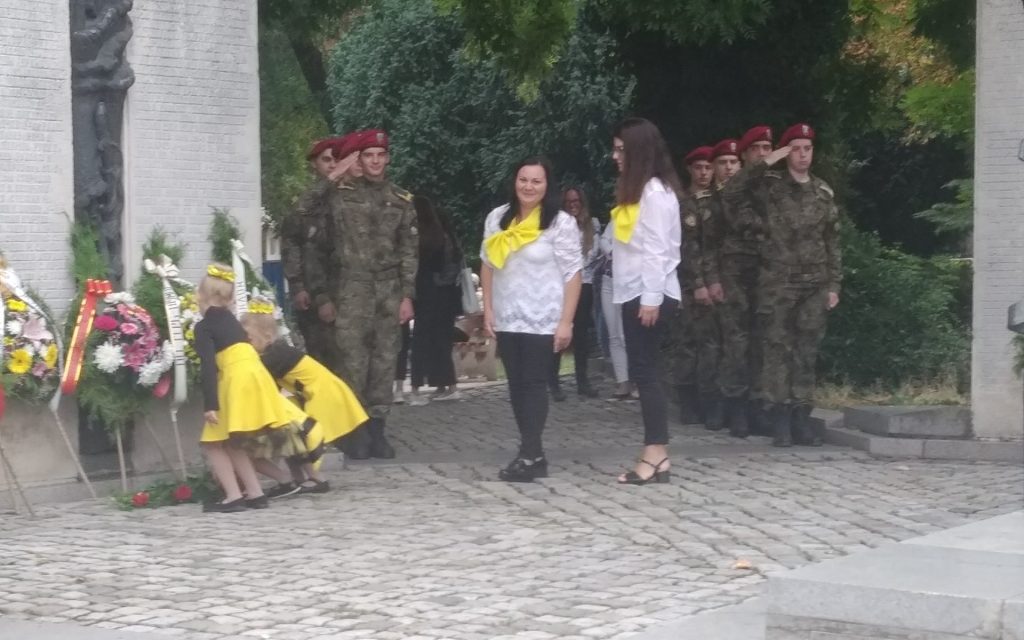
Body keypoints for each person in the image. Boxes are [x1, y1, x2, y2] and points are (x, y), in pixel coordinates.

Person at [732, 124, 841, 447]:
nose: (803, 155)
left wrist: (834, 284)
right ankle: (779, 421)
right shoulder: (771, 186)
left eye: (808, 148)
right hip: (779, 283)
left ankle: (801, 419)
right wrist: (768, 160)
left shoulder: (823, 192)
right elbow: (733, 192)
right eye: (796, 149)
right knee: (777, 351)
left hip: (814, 285)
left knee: (806, 352)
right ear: (785, 152)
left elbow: (832, 242)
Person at [481, 156, 582, 483]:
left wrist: (566, 321)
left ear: (547, 185)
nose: (529, 186)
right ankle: (533, 454)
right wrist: (488, 309)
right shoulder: (497, 218)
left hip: (543, 317)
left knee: (535, 383)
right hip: (508, 315)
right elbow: (487, 264)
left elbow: (573, 274)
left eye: (536, 181)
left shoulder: (560, 223)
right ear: (514, 181)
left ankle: (530, 453)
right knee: (516, 384)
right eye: (523, 179)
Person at [327, 129, 418, 459]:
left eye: (381, 155)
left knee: (384, 360)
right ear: (360, 160)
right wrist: (335, 174)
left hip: (388, 289)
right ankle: (356, 430)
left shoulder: (401, 199)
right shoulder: (341, 195)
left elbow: (409, 250)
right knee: (353, 360)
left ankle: (378, 430)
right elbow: (303, 210)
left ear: (388, 158)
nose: (376, 161)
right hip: (353, 288)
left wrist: (407, 295)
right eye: (369, 155)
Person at [610, 118, 682, 485]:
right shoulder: (640, 192)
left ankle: (655, 451)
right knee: (644, 370)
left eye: (621, 150)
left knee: (647, 372)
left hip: (647, 292)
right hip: (634, 290)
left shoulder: (654, 193)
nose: (615, 156)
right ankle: (657, 453)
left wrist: (651, 298)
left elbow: (658, 250)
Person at [194, 264, 301, 513]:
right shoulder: (232, 321)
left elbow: (208, 366)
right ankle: (255, 493)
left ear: (201, 295)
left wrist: (210, 405)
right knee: (234, 442)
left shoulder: (204, 327)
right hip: (255, 376)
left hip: (234, 381)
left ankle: (233, 496)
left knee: (213, 443)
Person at [241, 310, 369, 494]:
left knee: (303, 435)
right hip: (312, 392)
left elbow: (256, 374)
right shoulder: (275, 350)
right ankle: (301, 478)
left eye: (249, 339)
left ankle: (316, 479)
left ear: (267, 337)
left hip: (321, 393)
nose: (246, 344)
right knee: (294, 434)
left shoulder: (274, 355)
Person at [281, 134, 361, 372]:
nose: (333, 165)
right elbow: (291, 243)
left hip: (349, 291)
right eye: (327, 160)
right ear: (314, 165)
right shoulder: (309, 200)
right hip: (314, 291)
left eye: (337, 159)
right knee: (321, 360)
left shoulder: (351, 196)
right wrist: (297, 285)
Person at [714, 137, 762, 438]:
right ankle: (733, 405)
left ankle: (757, 405)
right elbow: (706, 244)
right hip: (729, 274)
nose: (730, 168)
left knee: (759, 340)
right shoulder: (718, 197)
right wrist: (709, 280)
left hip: (762, 272)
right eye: (724, 163)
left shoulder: (765, 190)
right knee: (733, 342)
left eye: (734, 163)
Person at [678, 145, 724, 430]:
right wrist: (698, 283)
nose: (704, 173)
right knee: (688, 342)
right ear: (690, 170)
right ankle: (687, 400)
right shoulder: (683, 202)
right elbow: (688, 247)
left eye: (708, 168)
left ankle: (709, 400)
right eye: (699, 168)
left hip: (718, 280)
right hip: (689, 283)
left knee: (712, 344)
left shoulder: (719, 201)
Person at [407, 195, 464, 405]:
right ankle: (448, 385)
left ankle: (415, 389)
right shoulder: (447, 237)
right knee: (442, 341)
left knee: (420, 339)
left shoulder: (421, 239)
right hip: (447, 295)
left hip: (426, 293)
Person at [549, 187, 601, 400]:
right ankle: (553, 382)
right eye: (569, 201)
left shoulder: (591, 225)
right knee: (558, 332)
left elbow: (592, 254)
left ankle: (582, 380)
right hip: (561, 285)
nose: (573, 204)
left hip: (584, 283)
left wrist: (574, 262)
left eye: (576, 200)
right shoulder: (557, 224)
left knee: (581, 334)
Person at [597, 221, 632, 400]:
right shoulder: (617, 217)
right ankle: (622, 380)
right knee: (613, 335)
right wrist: (612, 252)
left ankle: (636, 380)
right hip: (609, 279)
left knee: (625, 334)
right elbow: (603, 240)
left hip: (627, 281)